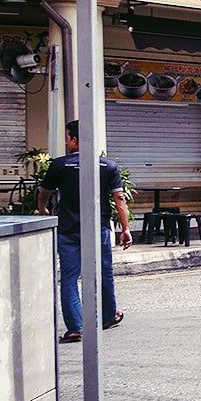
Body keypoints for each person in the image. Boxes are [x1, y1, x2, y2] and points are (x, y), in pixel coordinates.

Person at [38, 119, 131, 343]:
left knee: (69, 279)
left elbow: (44, 193)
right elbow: (119, 199)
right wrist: (125, 228)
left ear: (74, 139)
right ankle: (108, 316)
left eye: (67, 137)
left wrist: (42, 209)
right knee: (104, 273)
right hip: (98, 228)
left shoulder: (59, 165)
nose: (66, 142)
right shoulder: (108, 166)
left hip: (68, 230)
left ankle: (76, 327)